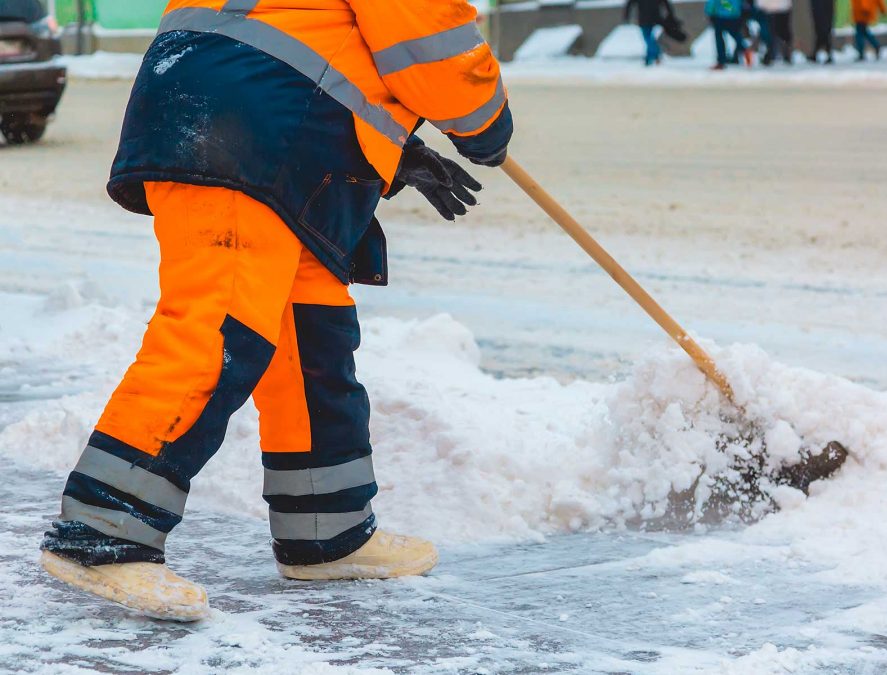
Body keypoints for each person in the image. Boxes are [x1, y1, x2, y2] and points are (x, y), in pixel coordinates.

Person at [38, 0, 512, 622]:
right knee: (220, 326)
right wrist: (486, 123)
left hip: (253, 115)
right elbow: (429, 38)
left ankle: (327, 532)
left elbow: (315, 36)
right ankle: (102, 534)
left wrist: (396, 152)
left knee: (310, 333)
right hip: (243, 127)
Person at [624, 0, 675, 66]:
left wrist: (626, 16)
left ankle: (651, 58)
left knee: (649, 39)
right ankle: (654, 57)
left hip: (651, 20)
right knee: (649, 39)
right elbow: (630, 3)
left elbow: (629, 4)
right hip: (650, 19)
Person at [705, 0, 745, 70]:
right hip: (735, 14)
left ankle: (721, 61)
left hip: (720, 15)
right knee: (735, 34)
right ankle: (746, 49)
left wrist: (709, 11)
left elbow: (714, 2)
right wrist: (734, 10)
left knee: (719, 38)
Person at [758, 0, 794, 65]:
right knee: (770, 34)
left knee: (783, 33)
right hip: (768, 10)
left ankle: (785, 54)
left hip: (782, 9)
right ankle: (770, 55)